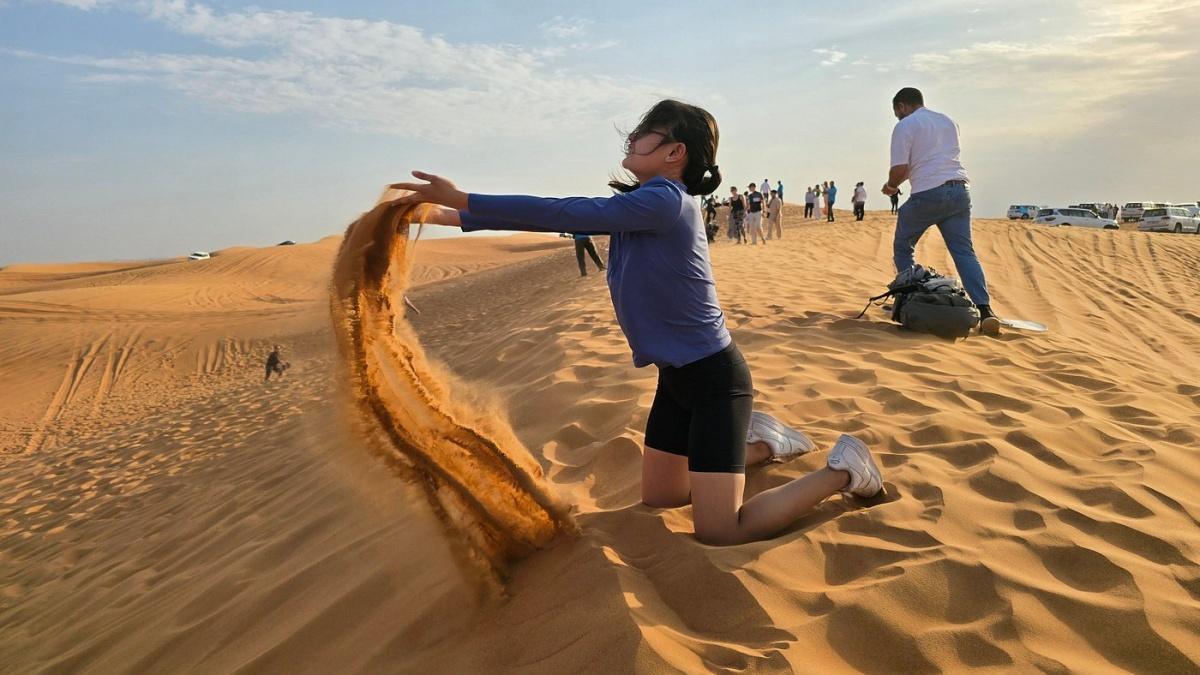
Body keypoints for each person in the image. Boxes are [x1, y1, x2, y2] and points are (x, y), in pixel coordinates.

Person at [390, 99, 884, 546]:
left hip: (713, 381)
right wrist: (441, 217)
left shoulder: (665, 201)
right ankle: (762, 446)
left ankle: (844, 471)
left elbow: (564, 210)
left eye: (647, 132)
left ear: (675, 152)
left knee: (719, 529)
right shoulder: (641, 207)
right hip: (677, 379)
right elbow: (562, 218)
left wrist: (463, 198)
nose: (632, 139)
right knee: (664, 498)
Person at [883, 87, 999, 335]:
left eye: (897, 113)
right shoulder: (948, 121)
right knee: (964, 252)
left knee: (903, 246)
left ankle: (909, 300)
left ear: (902, 106)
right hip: (959, 191)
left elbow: (900, 168)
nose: (898, 117)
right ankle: (985, 310)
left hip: (928, 192)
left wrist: (891, 186)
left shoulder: (905, 125)